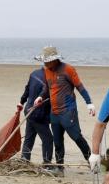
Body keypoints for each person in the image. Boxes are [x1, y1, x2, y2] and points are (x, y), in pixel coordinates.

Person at [33, 46, 95, 175]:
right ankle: (60, 167)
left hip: (68, 111)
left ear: (54, 60)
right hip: (54, 113)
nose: (44, 63)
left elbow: (80, 87)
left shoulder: (68, 69)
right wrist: (40, 96)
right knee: (57, 141)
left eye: (47, 61)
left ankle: (92, 161)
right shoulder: (47, 70)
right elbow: (48, 88)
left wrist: (89, 103)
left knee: (76, 137)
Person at [17, 65, 53, 164]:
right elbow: (44, 92)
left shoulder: (34, 74)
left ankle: (24, 160)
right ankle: (47, 164)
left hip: (29, 110)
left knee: (29, 137)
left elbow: (27, 90)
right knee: (48, 139)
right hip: (38, 113)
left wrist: (21, 102)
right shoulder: (49, 77)